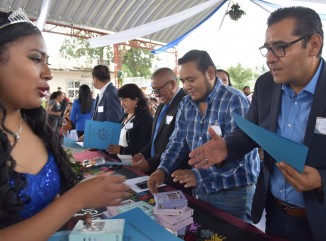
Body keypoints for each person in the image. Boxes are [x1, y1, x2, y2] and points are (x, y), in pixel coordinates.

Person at [188, 6, 326, 241]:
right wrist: (227, 146)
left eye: (280, 47)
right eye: (267, 49)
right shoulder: (266, 85)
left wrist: (322, 180)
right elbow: (250, 133)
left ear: (313, 44)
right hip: (275, 214)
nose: (270, 58)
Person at [0, 9, 129, 240]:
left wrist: (63, 218)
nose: (48, 73)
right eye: (36, 59)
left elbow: (46, 204)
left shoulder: (36, 126)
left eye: (47, 61)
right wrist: (74, 200)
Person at [148, 50, 260, 222]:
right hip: (201, 189)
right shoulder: (186, 103)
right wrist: (162, 169)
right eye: (183, 81)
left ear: (210, 73)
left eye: (191, 79)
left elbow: (241, 154)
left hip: (233, 194)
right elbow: (177, 142)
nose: (186, 86)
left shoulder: (234, 100)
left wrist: (198, 175)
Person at [132, 67, 188, 175]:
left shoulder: (185, 104)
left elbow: (180, 145)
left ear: (172, 84)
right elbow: (155, 138)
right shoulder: (162, 105)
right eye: (154, 90)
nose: (156, 94)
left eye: (158, 90)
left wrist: (150, 163)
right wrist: (143, 154)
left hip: (174, 173)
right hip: (156, 170)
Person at [107, 83, 153, 156]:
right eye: (121, 100)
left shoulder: (145, 118)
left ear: (136, 100)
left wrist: (122, 150)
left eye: (125, 100)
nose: (122, 104)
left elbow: (146, 145)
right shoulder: (126, 115)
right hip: (121, 161)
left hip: (135, 163)